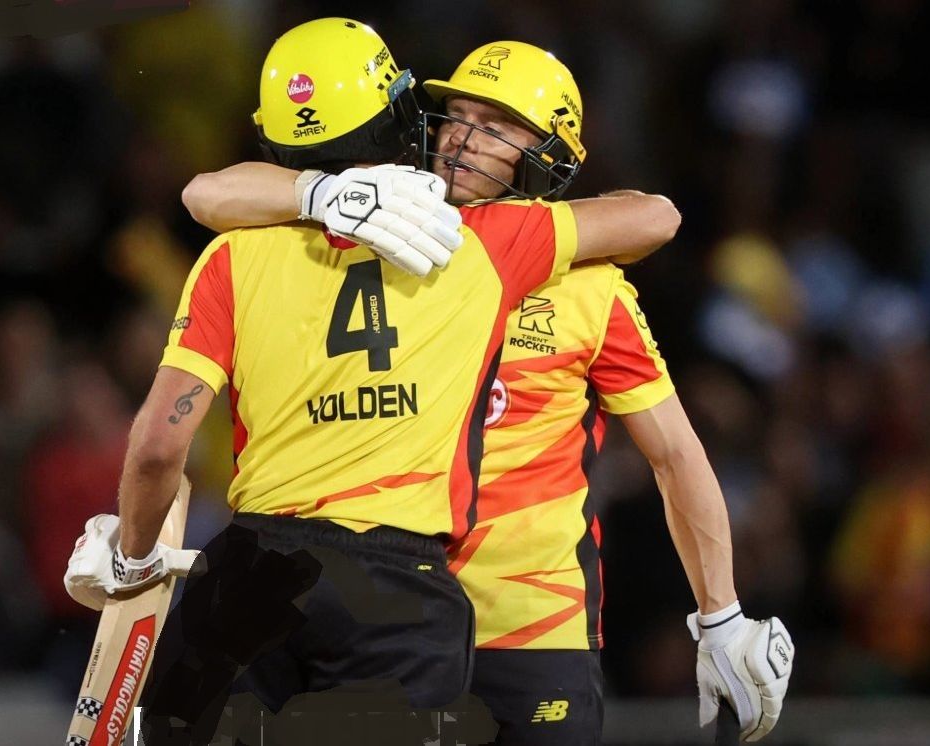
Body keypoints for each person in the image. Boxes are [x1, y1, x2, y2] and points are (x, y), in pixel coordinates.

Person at [64, 18, 678, 745]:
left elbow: (160, 447)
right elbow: (655, 215)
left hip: (252, 573)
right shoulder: (483, 244)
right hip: (400, 589)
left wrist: (134, 559)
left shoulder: (232, 256)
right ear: (397, 114)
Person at [182, 40, 794, 745]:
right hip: (389, 625)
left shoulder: (591, 290)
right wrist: (323, 193)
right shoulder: (377, 238)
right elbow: (207, 193)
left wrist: (720, 615)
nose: (464, 140)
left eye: (499, 127)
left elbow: (677, 457)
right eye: (457, 117)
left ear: (546, 154)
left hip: (528, 633)